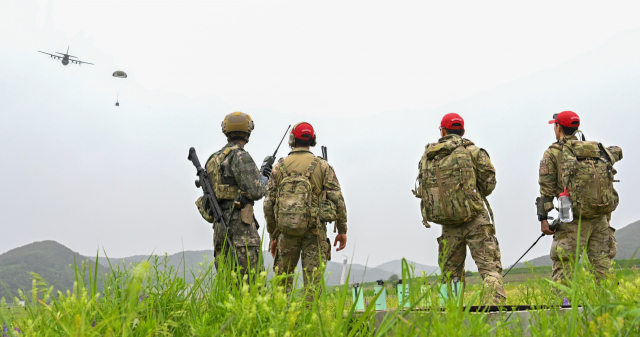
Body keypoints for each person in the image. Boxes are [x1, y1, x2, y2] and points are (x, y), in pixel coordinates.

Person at [414, 113, 506, 301]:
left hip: (448, 224)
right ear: (463, 131)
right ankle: (495, 317)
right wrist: (470, 195)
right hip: (476, 219)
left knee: (450, 276)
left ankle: (451, 319)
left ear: (443, 131)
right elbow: (489, 184)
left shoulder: (430, 155)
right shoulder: (474, 152)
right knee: (490, 270)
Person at [263, 122, 347, 300]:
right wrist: (342, 231)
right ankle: (313, 324)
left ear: (292, 140)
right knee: (314, 287)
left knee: (281, 286)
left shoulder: (279, 167)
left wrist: (274, 235)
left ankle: (281, 323)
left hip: (286, 234)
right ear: (313, 140)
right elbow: (338, 199)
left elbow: (268, 204)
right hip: (314, 232)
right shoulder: (323, 166)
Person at [537, 111, 622, 283]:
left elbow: (546, 189)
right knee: (603, 267)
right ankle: (611, 306)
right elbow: (617, 154)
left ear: (558, 127)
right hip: (600, 218)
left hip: (572, 219)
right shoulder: (596, 149)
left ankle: (564, 307)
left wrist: (543, 218)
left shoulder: (553, 153)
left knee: (565, 269)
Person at [195, 111, 268, 276]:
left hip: (220, 228)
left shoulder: (214, 159)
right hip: (240, 227)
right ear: (248, 131)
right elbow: (256, 191)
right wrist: (264, 179)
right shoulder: (240, 156)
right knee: (250, 283)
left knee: (227, 282)